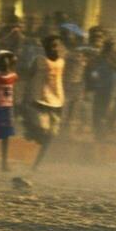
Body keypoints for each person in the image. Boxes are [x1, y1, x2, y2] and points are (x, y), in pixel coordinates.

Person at [26, 36, 65, 171]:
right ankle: (31, 131)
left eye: (58, 46)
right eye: (53, 46)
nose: (56, 49)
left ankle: (37, 165)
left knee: (51, 135)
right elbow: (29, 75)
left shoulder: (61, 62)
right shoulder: (39, 60)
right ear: (46, 48)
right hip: (40, 100)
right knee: (42, 130)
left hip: (57, 101)